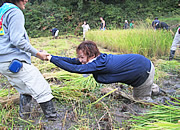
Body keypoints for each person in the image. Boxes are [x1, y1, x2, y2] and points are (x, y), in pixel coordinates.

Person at [0, 0, 58, 121]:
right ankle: (53, 121)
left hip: (3, 62)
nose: (26, 0)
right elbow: (17, 40)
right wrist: (37, 54)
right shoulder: (14, 11)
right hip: (14, 61)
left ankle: (24, 118)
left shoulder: (2, 12)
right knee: (42, 88)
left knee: (24, 89)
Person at [47, 41, 160, 102]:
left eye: (81, 57)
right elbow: (73, 61)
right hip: (141, 65)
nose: (79, 60)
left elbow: (75, 69)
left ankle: (151, 90)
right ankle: (151, 87)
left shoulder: (98, 64)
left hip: (143, 71)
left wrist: (50, 59)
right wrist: (51, 56)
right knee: (144, 88)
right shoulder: (97, 59)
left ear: (91, 55)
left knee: (141, 102)